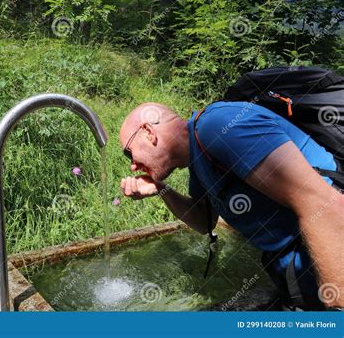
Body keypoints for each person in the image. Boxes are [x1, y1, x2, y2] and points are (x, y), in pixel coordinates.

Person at [119, 101, 344, 310]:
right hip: (296, 270)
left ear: (148, 132)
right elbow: (203, 221)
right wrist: (161, 189)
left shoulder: (220, 127)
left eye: (129, 152)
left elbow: (323, 204)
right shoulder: (198, 157)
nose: (133, 165)